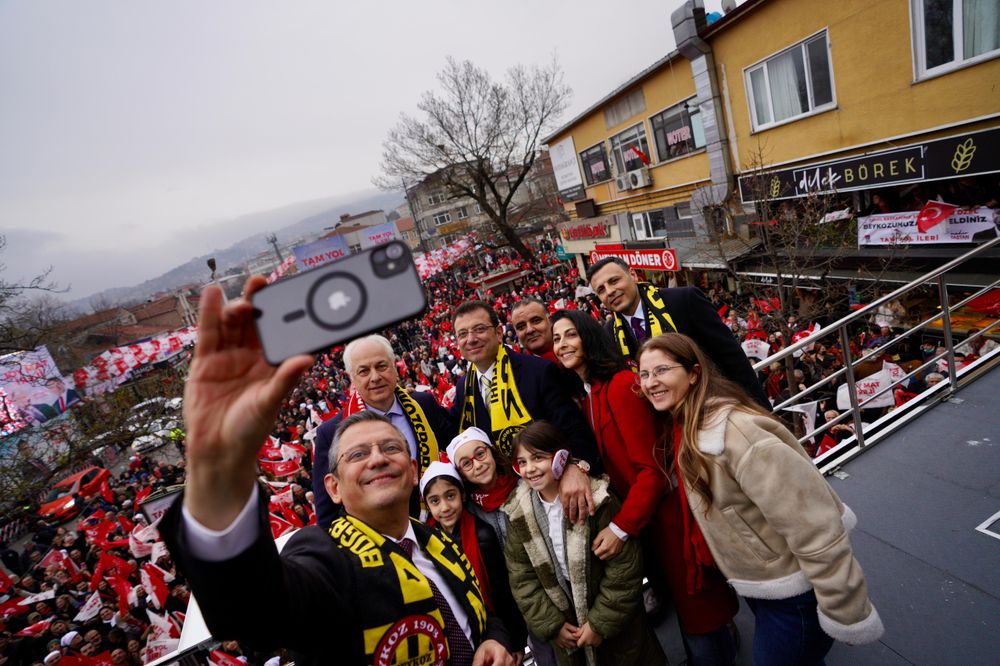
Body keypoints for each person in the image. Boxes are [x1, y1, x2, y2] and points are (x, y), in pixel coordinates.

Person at [159, 279, 516, 666]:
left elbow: (476, 609)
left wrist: (493, 638)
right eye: (359, 454)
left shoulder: (438, 542)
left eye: (392, 447)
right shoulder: (330, 565)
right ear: (333, 486)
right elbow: (253, 611)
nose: (378, 458)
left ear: (414, 471)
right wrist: (219, 473)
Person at [637, 333, 884, 662]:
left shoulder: (738, 434)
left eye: (662, 370)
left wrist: (845, 611)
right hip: (766, 585)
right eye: (644, 374)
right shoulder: (689, 428)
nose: (651, 382)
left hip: (795, 596)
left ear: (694, 373)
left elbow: (815, 525)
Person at [550, 310, 739, 664]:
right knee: (690, 618)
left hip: (670, 520)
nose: (562, 345)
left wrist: (620, 528)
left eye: (570, 335)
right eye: (557, 338)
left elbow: (651, 470)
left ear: (589, 337)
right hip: (649, 524)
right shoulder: (589, 395)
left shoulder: (621, 385)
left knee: (702, 621)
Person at [503, 422, 665, 666]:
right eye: (522, 462)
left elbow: (624, 570)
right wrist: (553, 625)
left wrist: (600, 623)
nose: (529, 469)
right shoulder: (517, 513)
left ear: (560, 458)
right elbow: (522, 579)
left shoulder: (598, 499)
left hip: (620, 630)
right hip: (568, 631)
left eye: (538, 458)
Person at [449, 300, 601, 523]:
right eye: (462, 334)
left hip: (559, 494)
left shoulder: (538, 371)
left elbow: (574, 429)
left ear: (499, 333)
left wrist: (577, 467)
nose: (471, 339)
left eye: (479, 329)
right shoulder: (464, 388)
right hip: (513, 506)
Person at [312, 334, 455, 525]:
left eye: (381, 366)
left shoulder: (424, 404)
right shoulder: (330, 434)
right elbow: (328, 515)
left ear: (395, 367)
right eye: (364, 371)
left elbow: (457, 452)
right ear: (351, 379)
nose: (375, 377)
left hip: (441, 524)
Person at [587, 257, 769, 407]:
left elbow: (732, 358)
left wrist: (761, 408)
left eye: (614, 281)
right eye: (601, 290)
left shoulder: (684, 300)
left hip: (717, 405)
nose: (610, 291)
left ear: (633, 275)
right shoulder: (609, 334)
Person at [420, 462, 528, 665]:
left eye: (450, 496)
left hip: (494, 632)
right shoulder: (424, 543)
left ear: (462, 495)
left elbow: (502, 593)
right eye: (435, 501)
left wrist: (514, 641)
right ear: (427, 504)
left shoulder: (482, 535)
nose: (445, 507)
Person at [510, 299, 558, 364]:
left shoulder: (575, 354)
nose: (530, 330)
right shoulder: (517, 371)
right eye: (521, 327)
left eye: (536, 321)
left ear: (550, 321)